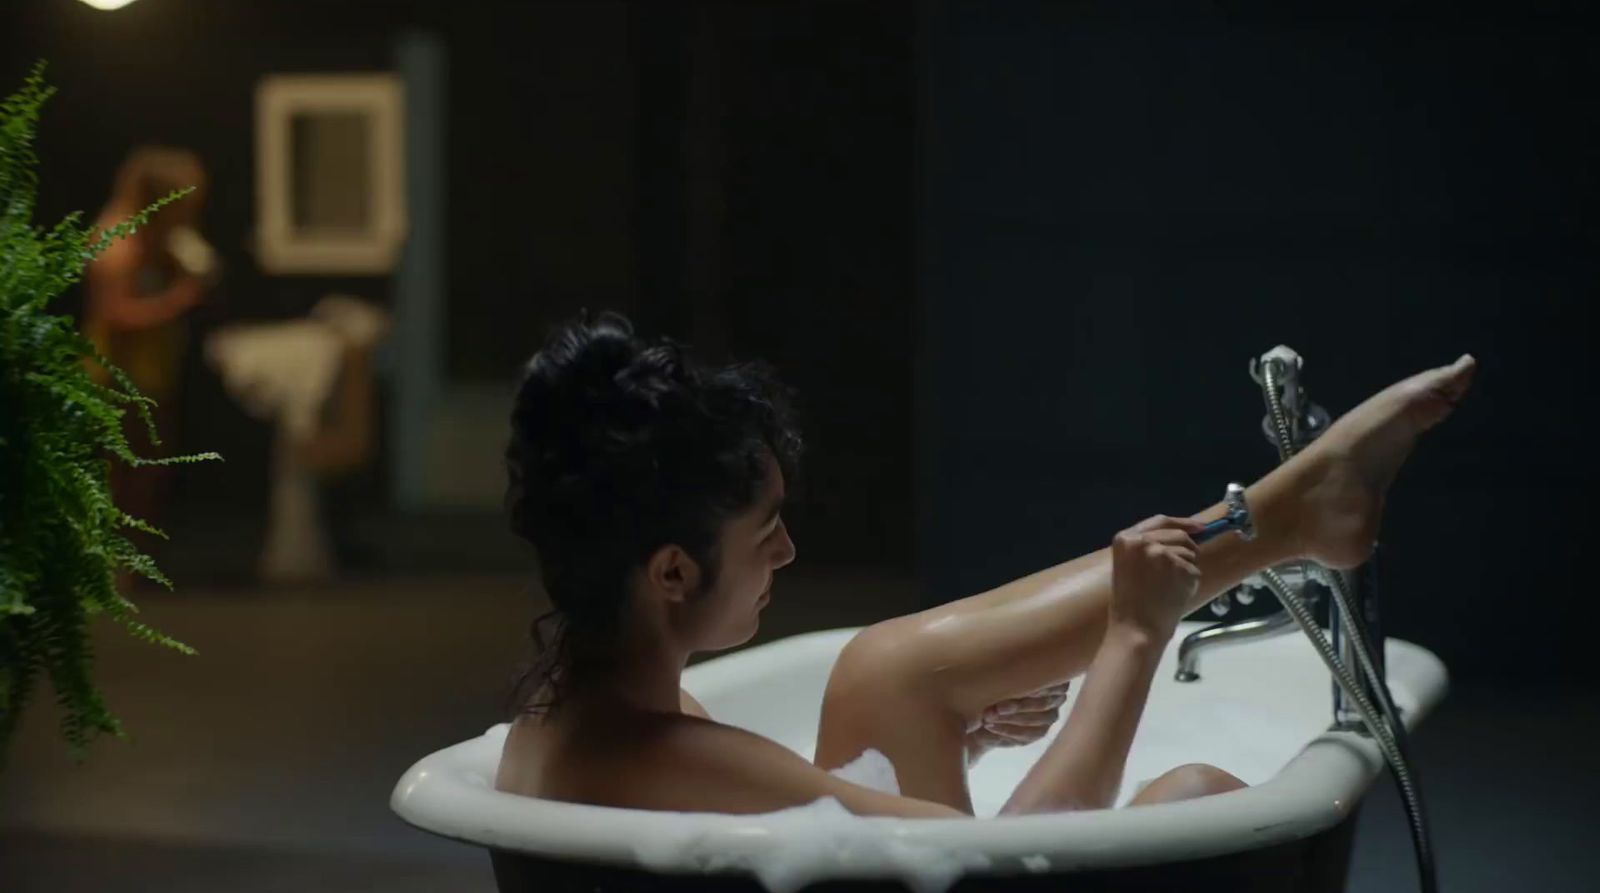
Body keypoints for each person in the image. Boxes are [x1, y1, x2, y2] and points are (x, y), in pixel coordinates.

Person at [493, 310, 1476, 818]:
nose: (788, 553)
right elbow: (1019, 868)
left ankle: (1291, 514)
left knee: (889, 669)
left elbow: (834, 830)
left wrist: (951, 744)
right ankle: (1289, 513)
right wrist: (1134, 635)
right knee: (1192, 794)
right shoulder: (671, 753)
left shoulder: (584, 708)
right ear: (671, 573)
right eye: (764, 533)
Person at [82, 146, 216, 585]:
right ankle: (114, 566)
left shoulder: (152, 238)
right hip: (117, 375)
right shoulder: (117, 243)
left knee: (146, 472)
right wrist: (179, 299)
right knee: (122, 475)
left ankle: (131, 563)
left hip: (148, 373)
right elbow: (117, 312)